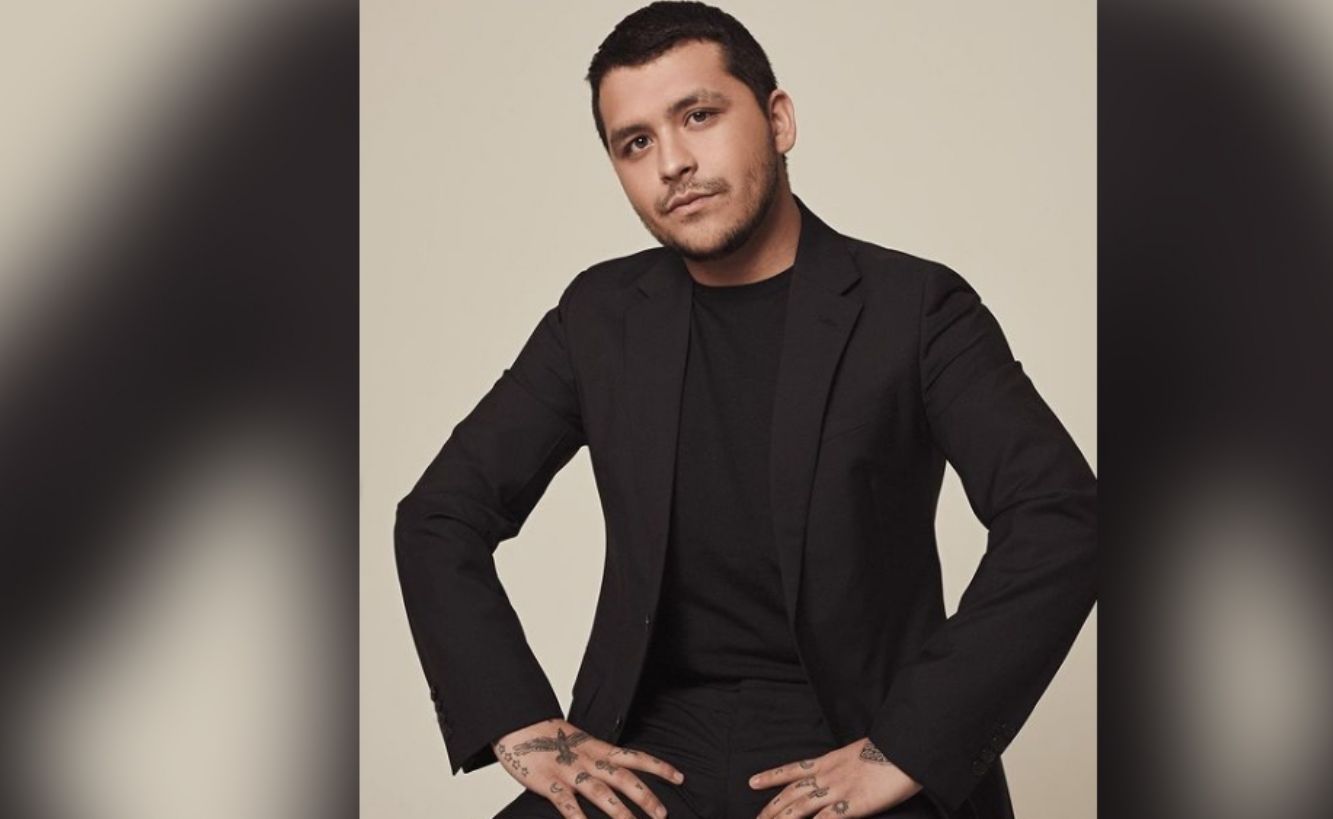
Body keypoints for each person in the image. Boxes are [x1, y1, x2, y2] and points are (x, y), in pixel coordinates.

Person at [394, 4, 1097, 819]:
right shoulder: (599, 318)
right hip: (648, 749)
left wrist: (909, 746)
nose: (673, 164)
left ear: (778, 120)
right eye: (636, 142)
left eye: (698, 115)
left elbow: (1059, 515)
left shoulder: (916, 308)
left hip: (853, 737)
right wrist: (515, 718)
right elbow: (440, 514)